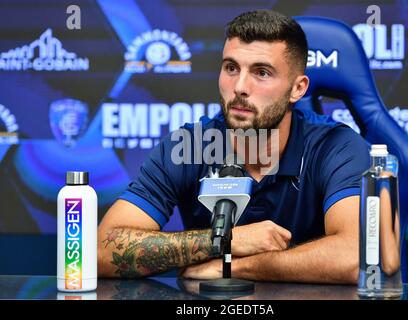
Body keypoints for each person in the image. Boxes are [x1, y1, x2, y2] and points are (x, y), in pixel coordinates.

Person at [98, 10, 370, 284]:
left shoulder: (336, 147)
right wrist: (224, 240)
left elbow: (356, 257)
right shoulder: (188, 147)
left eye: (261, 73)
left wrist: (230, 267)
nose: (240, 86)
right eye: (231, 68)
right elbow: (99, 252)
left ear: (297, 89)